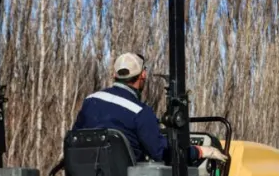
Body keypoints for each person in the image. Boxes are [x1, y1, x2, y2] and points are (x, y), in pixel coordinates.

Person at [72, 52, 227, 165]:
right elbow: (161, 153)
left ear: (114, 74)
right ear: (143, 75)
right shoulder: (140, 112)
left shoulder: (90, 101)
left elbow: (74, 139)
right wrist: (200, 151)